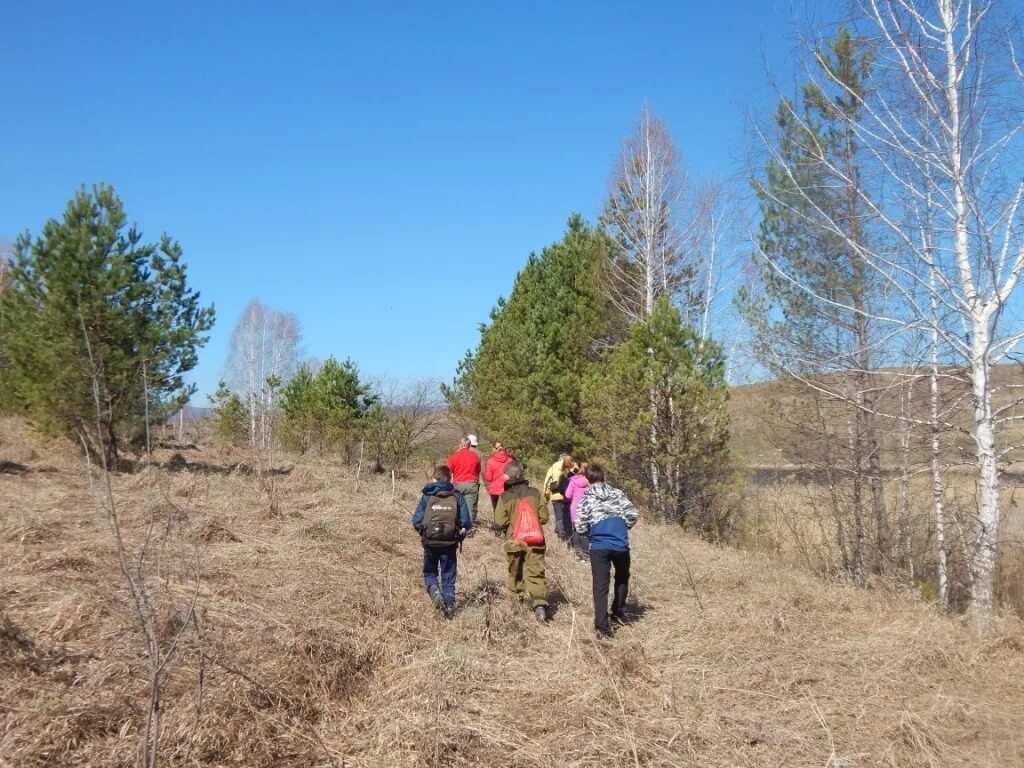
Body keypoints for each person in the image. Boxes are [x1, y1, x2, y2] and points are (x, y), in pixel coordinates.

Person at [574, 464, 639, 638]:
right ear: (603, 477)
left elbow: (579, 525)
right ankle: (618, 611)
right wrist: (622, 528)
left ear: (587, 480)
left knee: (600, 586)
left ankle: (602, 627)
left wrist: (591, 533)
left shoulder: (586, 498)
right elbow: (633, 513)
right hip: (620, 543)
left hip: (599, 546)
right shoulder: (617, 493)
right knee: (622, 577)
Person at [411, 466, 473, 618]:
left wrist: (423, 533)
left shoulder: (427, 496)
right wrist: (459, 533)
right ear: (451, 479)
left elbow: (416, 520)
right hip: (450, 543)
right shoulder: (457, 496)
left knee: (430, 571)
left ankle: (435, 593)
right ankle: (450, 606)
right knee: (448, 574)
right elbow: (466, 521)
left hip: (430, 542)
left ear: (434, 479)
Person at [494, 459, 550, 623]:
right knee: (536, 573)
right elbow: (544, 518)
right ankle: (539, 604)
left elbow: (500, 522)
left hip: (513, 542)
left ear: (507, 477)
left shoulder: (504, 497)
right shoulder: (535, 493)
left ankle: (515, 603)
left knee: (514, 572)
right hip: (535, 540)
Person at [447, 437, 481, 525]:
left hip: (457, 484)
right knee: (470, 508)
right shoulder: (475, 456)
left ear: (460, 445)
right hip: (471, 484)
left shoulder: (454, 456)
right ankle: (468, 528)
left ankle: (456, 524)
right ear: (469, 446)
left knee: (457, 506)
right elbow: (478, 470)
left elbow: (448, 472)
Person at [563, 457, 591, 560]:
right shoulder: (591, 481)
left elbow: (567, 495)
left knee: (576, 531)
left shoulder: (573, 480)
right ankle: (586, 555)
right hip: (588, 509)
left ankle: (578, 553)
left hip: (575, 509)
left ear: (578, 467)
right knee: (586, 532)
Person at [543, 453, 573, 542]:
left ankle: (561, 537)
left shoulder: (552, 468)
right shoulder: (571, 469)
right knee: (568, 517)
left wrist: (546, 495)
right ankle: (569, 536)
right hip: (568, 497)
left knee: (559, 517)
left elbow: (547, 483)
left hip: (556, 496)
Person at [483, 441, 511, 512]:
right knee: (507, 512)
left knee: (496, 512)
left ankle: (497, 522)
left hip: (495, 490)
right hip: (507, 490)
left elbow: (488, 478)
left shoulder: (490, 461)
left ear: (494, 449)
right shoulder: (510, 460)